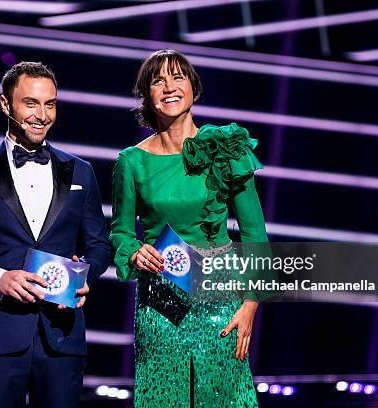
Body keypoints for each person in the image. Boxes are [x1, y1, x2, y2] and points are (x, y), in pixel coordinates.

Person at [0, 61, 111, 408]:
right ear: (6, 105)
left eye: (51, 104)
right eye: (31, 103)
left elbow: (99, 244)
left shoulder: (81, 171)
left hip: (62, 336)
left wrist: (86, 273)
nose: (42, 115)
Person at [109, 50, 267, 407]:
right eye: (157, 80)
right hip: (161, 304)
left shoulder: (226, 149)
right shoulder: (131, 162)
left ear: (193, 88)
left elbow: (255, 235)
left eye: (178, 77)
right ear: (146, 95)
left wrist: (250, 305)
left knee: (224, 398)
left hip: (221, 301)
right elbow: (119, 231)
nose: (169, 87)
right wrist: (135, 250)